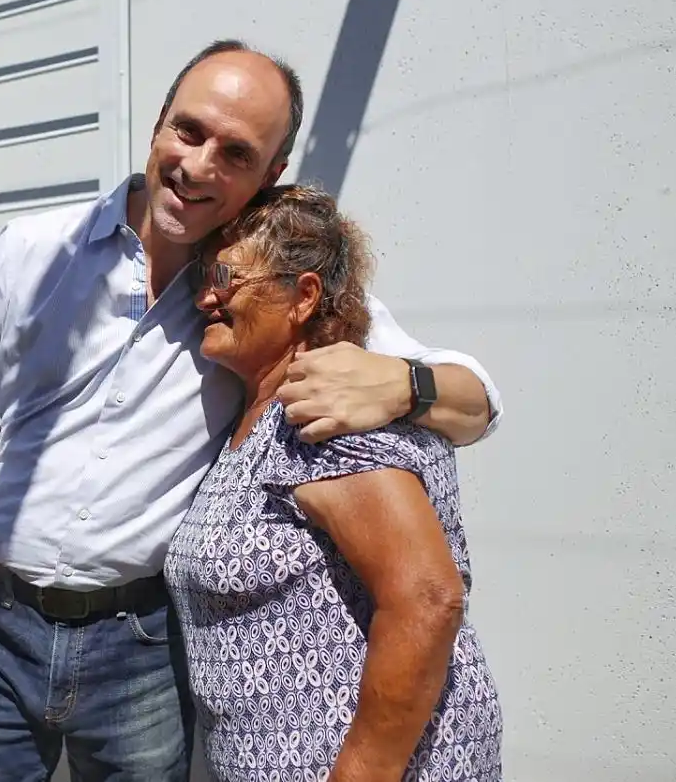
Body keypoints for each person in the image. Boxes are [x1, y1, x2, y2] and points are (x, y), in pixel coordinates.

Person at [0, 39, 503, 782]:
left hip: (137, 645)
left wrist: (406, 384)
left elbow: (478, 397)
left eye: (237, 154)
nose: (200, 165)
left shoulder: (261, 284)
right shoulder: (32, 253)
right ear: (158, 123)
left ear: (271, 174)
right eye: (190, 131)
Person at [164, 185, 502, 782]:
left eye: (223, 275)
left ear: (303, 297)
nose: (204, 295)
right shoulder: (262, 415)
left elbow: (426, 598)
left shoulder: (325, 417)